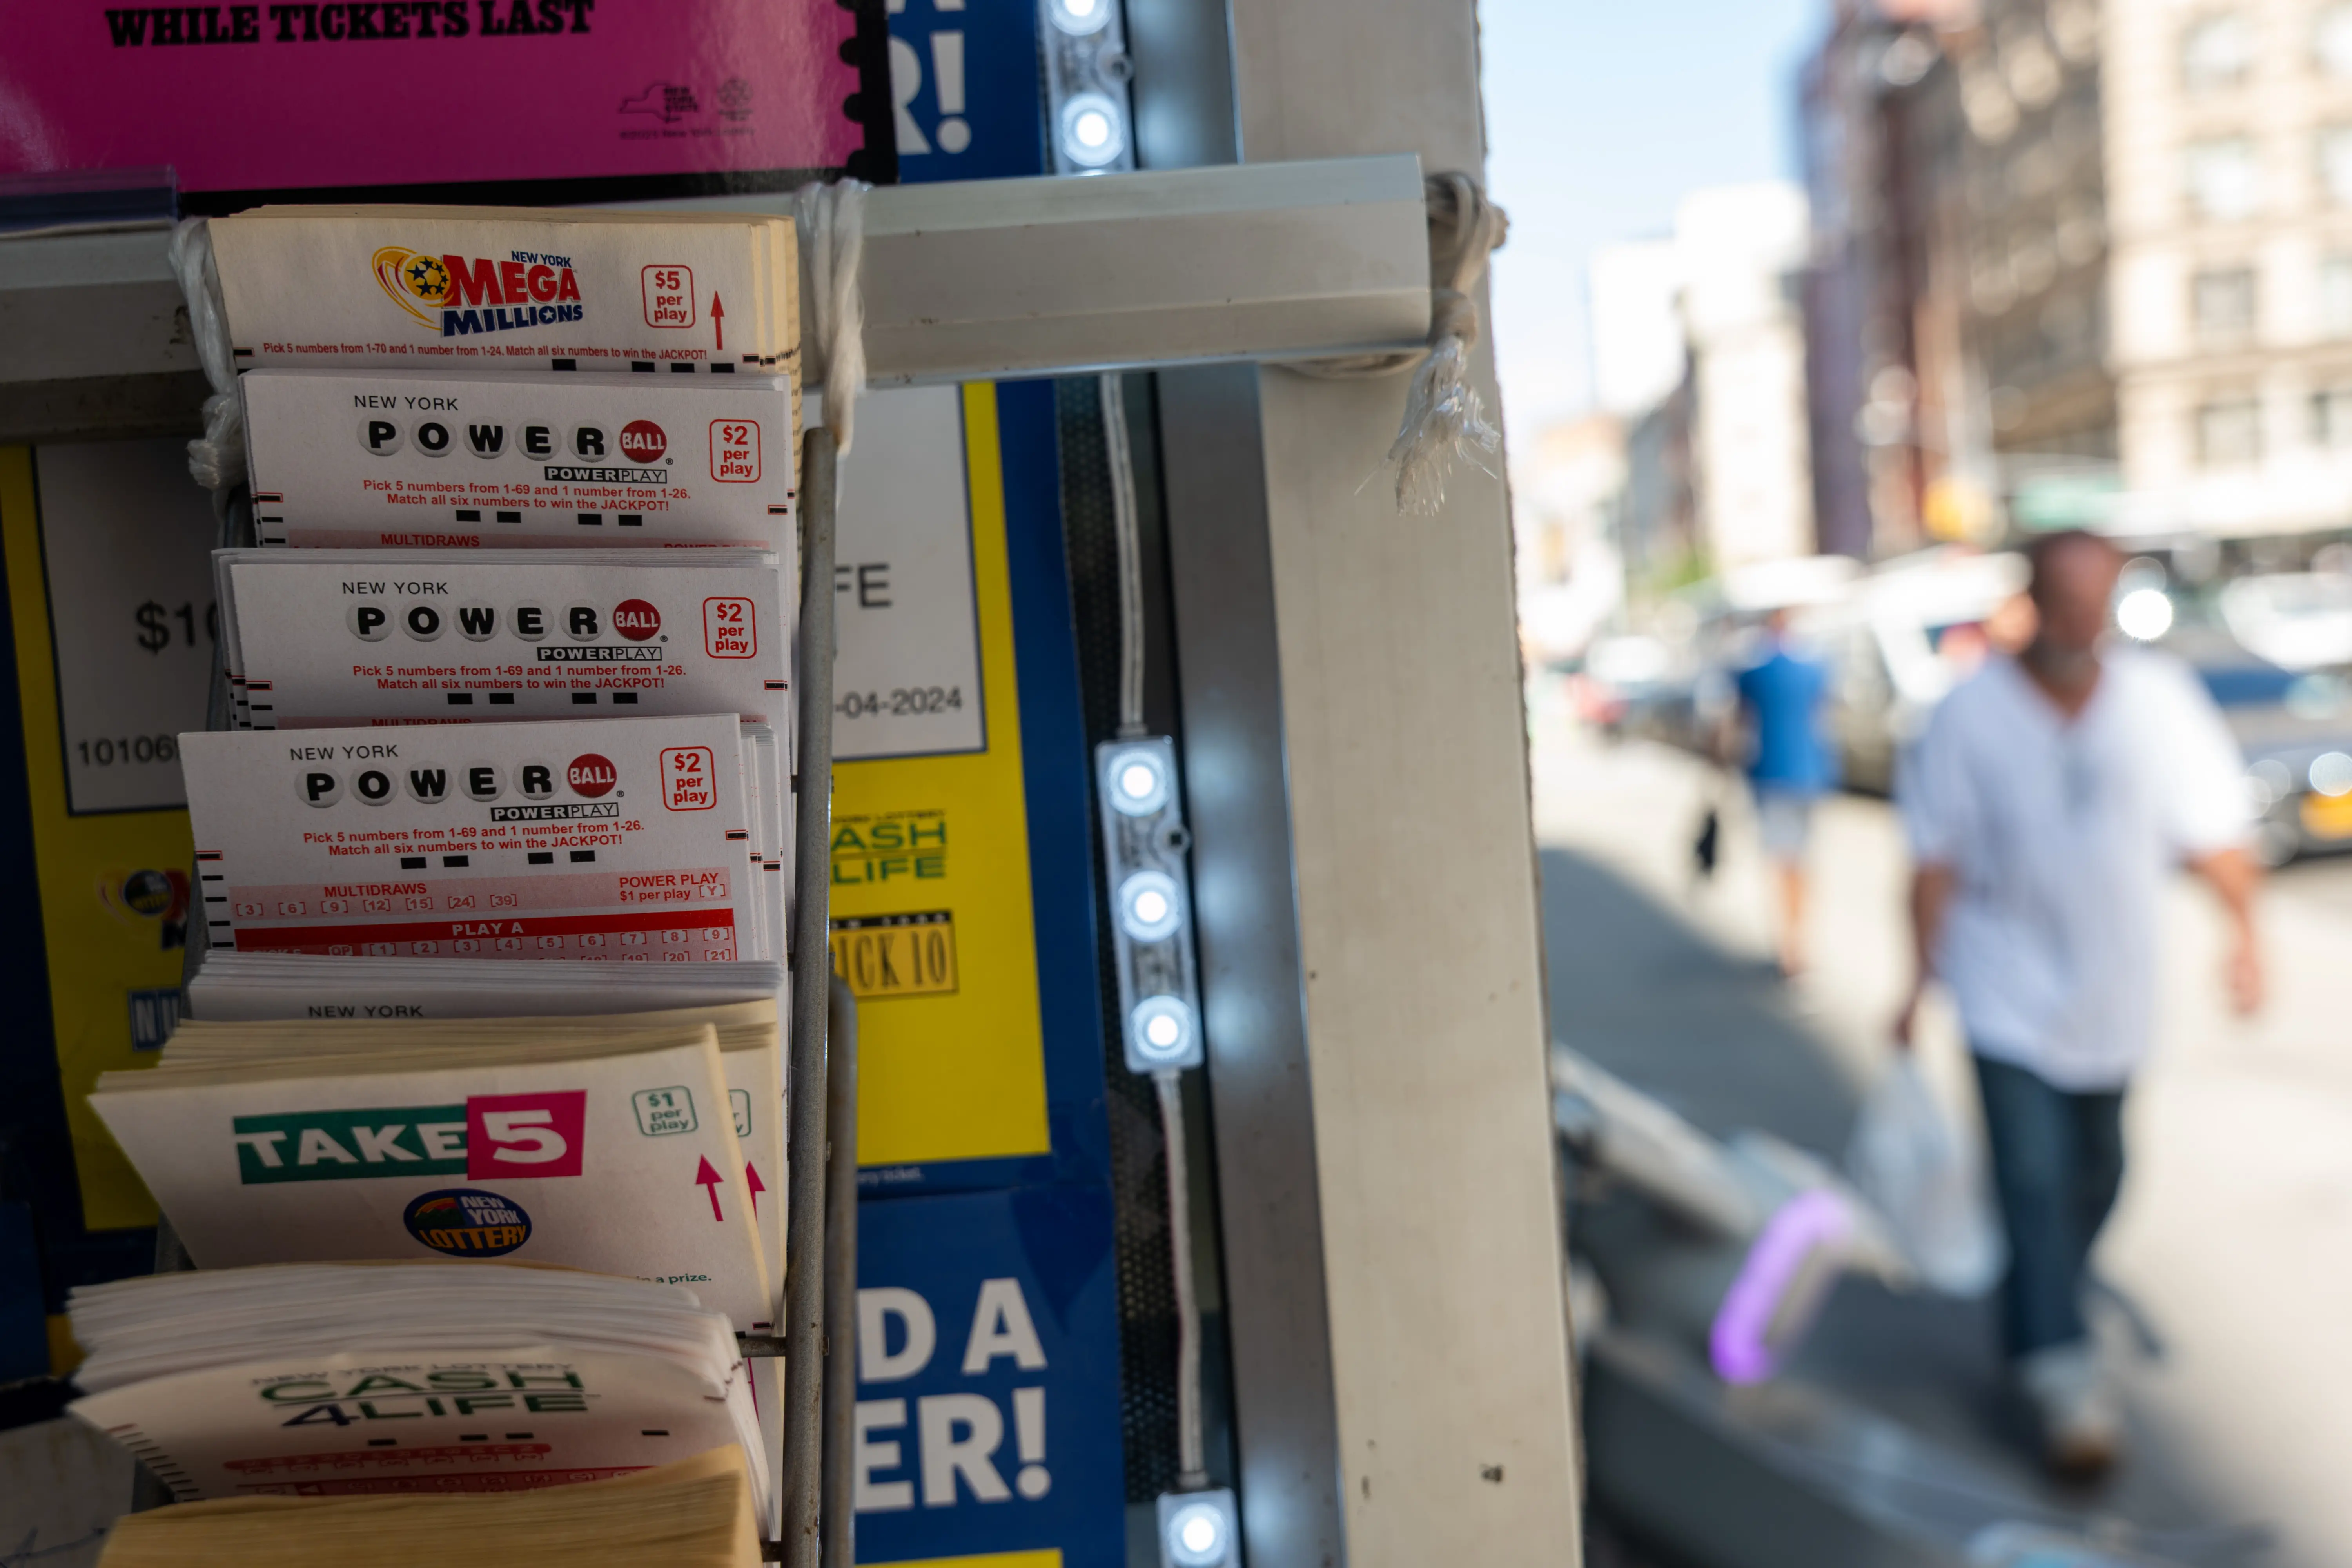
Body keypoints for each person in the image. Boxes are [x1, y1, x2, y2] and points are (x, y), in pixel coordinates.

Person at [1893, 530, 2262, 1479]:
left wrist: (2246, 938)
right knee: (2030, 1175)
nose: (2079, 624)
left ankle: (2035, 1309)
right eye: (2063, 602)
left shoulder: (2156, 701)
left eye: (2094, 604)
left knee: (2098, 1170)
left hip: (2112, 995)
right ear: (2030, 601)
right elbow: (1934, 856)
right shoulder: (1969, 713)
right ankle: (2065, 1387)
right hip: (2001, 988)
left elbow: (2214, 829)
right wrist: (1916, 982)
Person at [1731, 607, 1837, 976]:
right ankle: (1798, 939)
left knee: (1782, 859)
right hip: (1809, 774)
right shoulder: (1814, 667)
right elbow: (1824, 714)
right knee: (1801, 859)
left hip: (1771, 775)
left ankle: (1790, 945)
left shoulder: (1754, 672)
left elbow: (1739, 723)